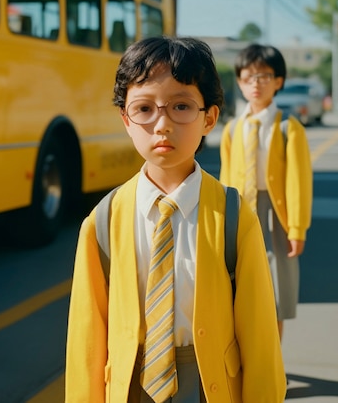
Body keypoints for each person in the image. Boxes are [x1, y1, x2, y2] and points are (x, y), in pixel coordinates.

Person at [65, 36, 286, 403]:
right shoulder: (102, 221)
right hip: (131, 386)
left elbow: (260, 336)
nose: (161, 124)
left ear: (209, 118)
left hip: (207, 385)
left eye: (181, 106)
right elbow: (86, 341)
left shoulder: (233, 215)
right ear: (126, 119)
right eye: (144, 109)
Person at [220, 43, 313, 341]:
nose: (256, 83)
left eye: (264, 76)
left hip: (276, 216)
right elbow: (224, 179)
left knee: (275, 295)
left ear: (278, 82)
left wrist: (297, 228)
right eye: (248, 77)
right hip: (241, 214)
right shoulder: (233, 129)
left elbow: (299, 181)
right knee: (241, 292)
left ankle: (273, 366)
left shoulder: (288, 127)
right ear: (239, 81)